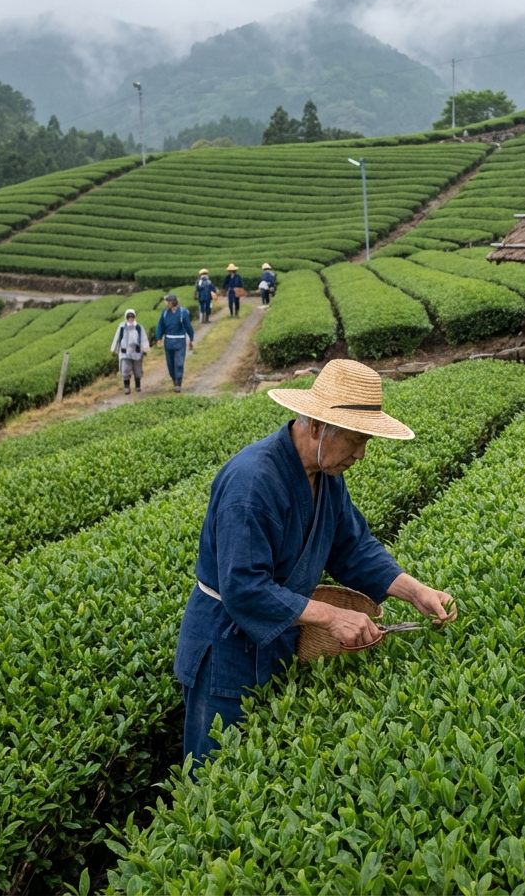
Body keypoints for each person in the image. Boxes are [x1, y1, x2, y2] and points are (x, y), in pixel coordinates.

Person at [174, 359, 458, 766]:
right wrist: (330, 616)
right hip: (226, 648)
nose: (360, 455)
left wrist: (415, 591)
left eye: (366, 443)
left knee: (262, 769)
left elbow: (352, 547)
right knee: (216, 771)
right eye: (356, 440)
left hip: (279, 639)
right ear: (318, 427)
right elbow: (244, 587)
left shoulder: (327, 478)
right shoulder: (252, 483)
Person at [156, 293, 195, 392]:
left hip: (179, 342)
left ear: (173, 302)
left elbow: (188, 326)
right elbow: (161, 325)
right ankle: (174, 379)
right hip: (168, 342)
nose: (166, 303)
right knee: (170, 364)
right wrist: (159, 337)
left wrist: (191, 338)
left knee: (179, 363)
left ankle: (178, 382)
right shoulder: (164, 313)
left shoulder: (183, 313)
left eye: (168, 301)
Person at [109, 308, 150, 394]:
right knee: (125, 370)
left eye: (132, 317)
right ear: (126, 318)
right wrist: (113, 349)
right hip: (125, 352)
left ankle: (138, 386)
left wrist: (145, 348)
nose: (131, 319)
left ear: (134, 317)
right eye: (129, 317)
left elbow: (143, 338)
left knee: (137, 370)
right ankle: (127, 387)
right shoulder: (122, 327)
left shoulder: (138, 327)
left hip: (136, 352)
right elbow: (117, 338)